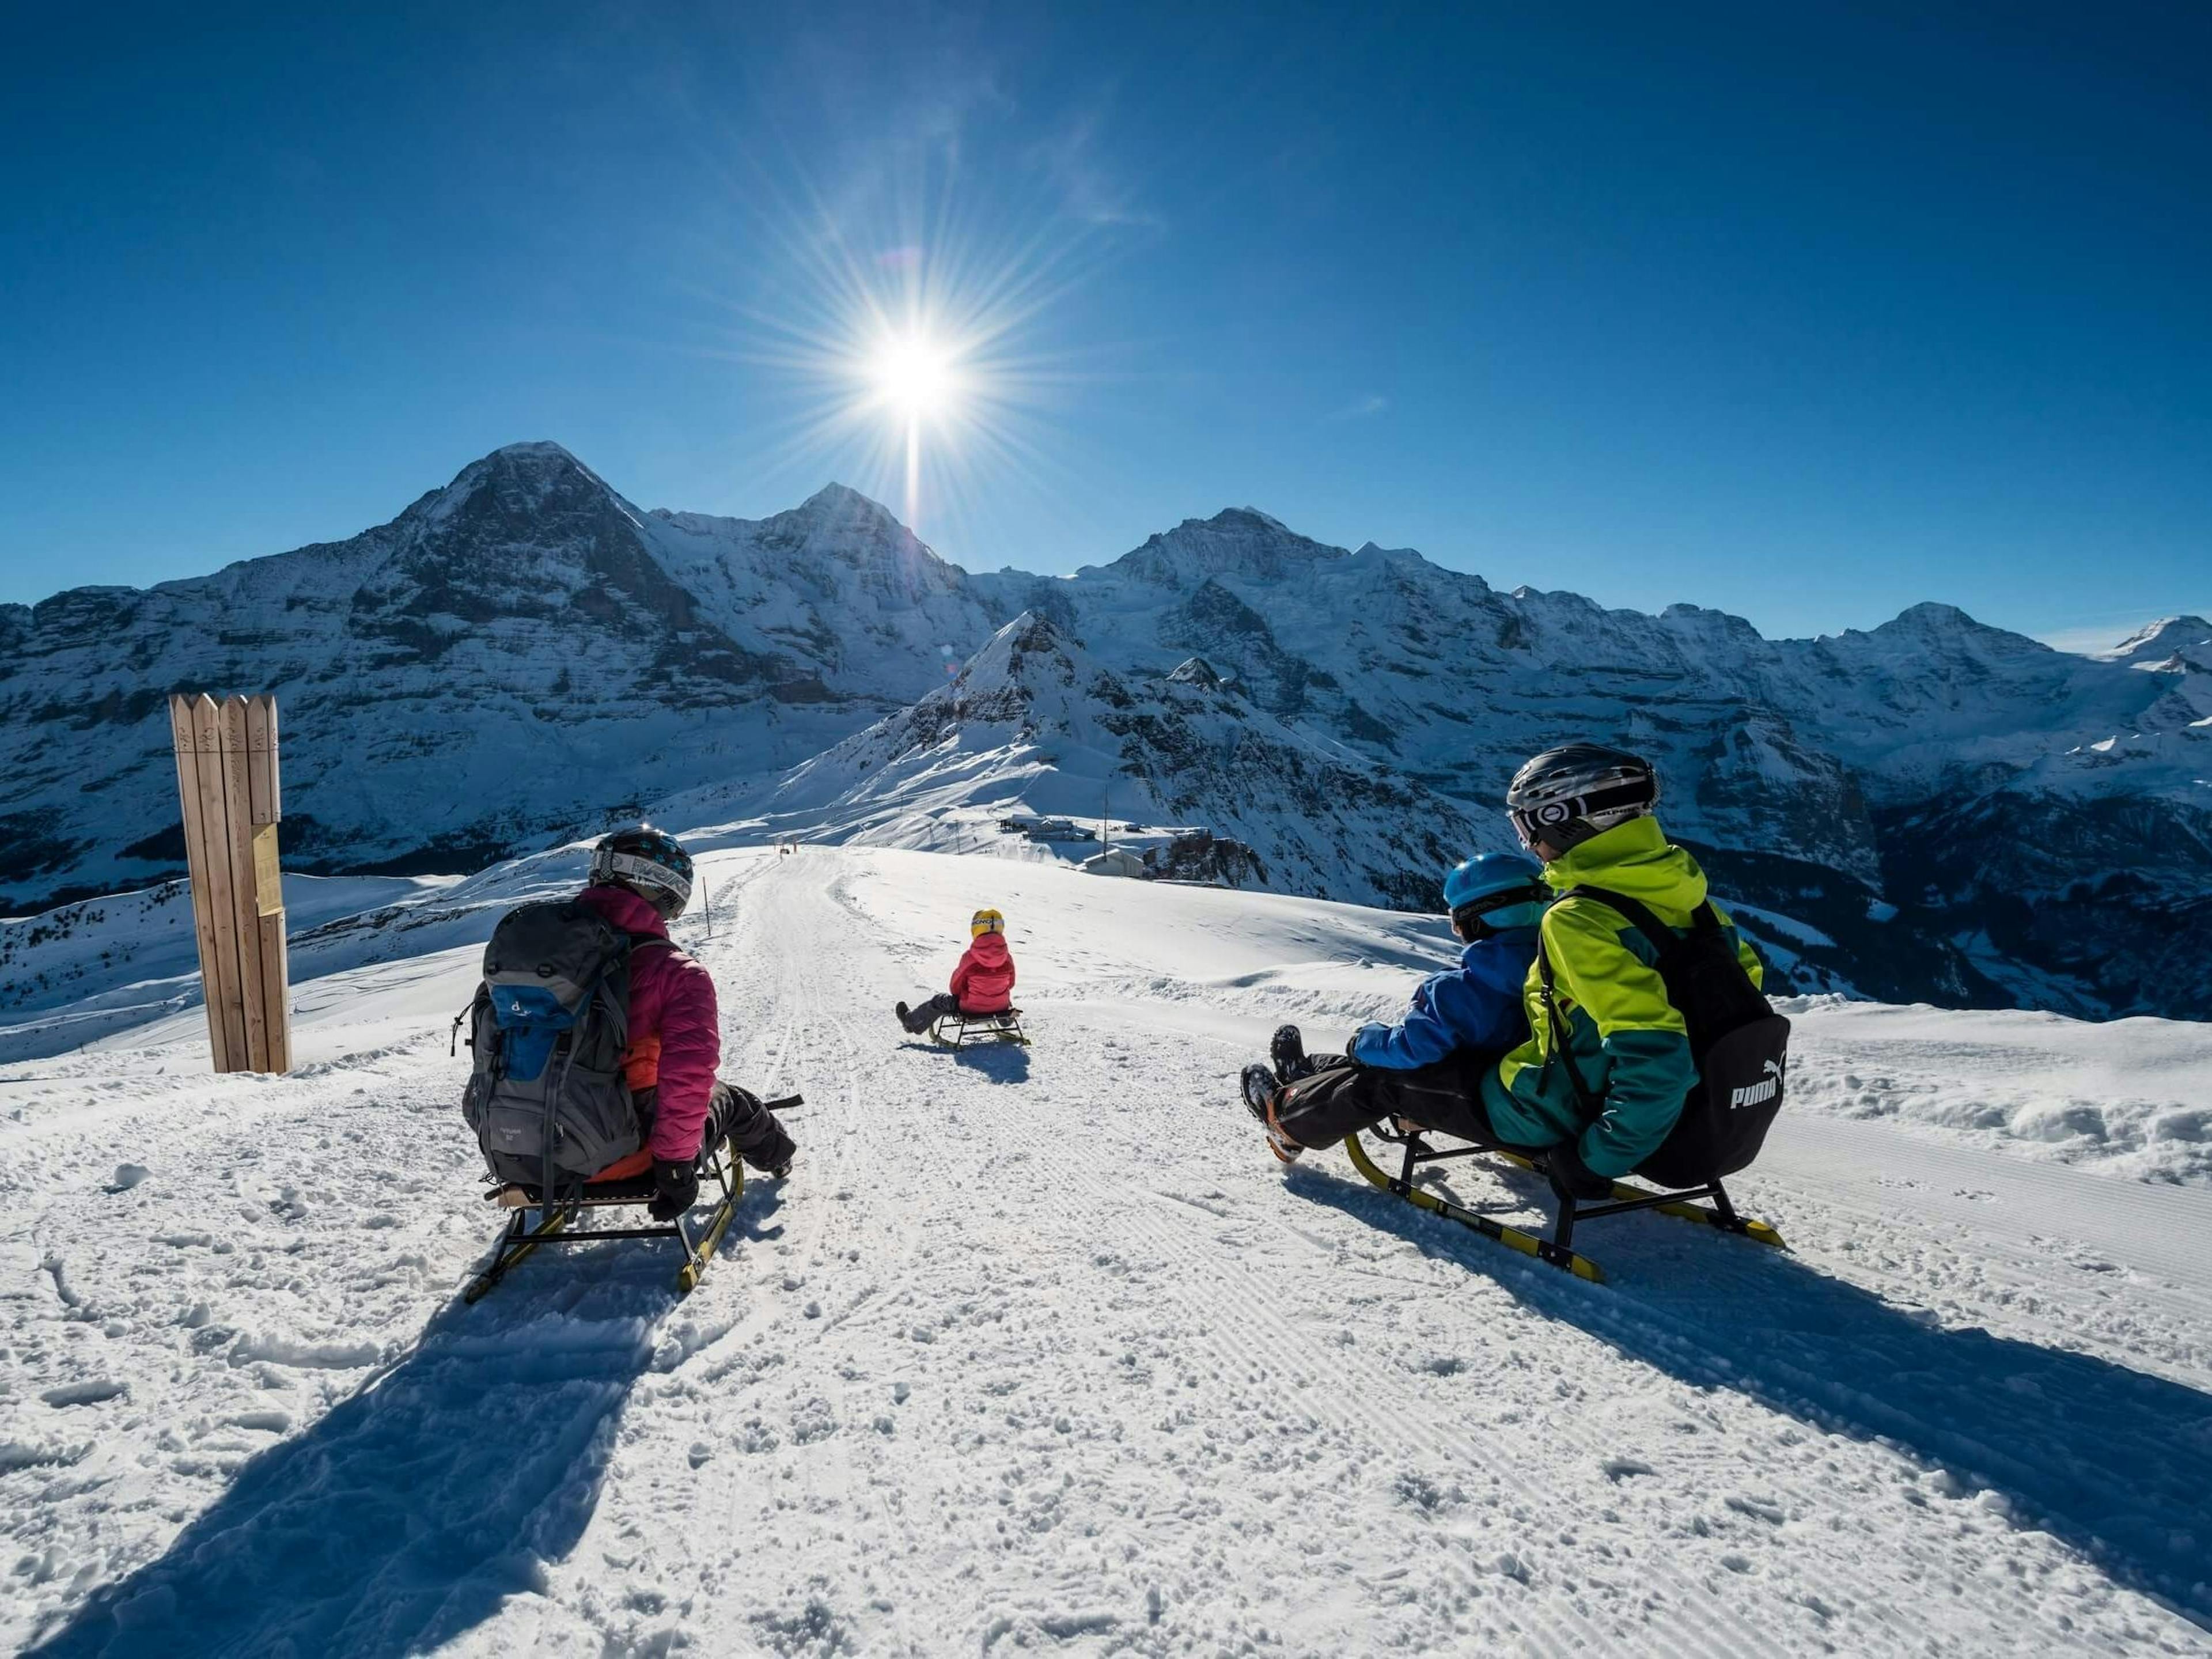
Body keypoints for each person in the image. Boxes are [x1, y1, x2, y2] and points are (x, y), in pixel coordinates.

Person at [1477, 743, 1765, 1203]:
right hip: (1705, 1120)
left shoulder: (1579, 917)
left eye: (1526, 827)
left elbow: (1659, 1060)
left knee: (1443, 1080)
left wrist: (1596, 1160)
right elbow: (1736, 994)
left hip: (1577, 1114)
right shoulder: (1691, 901)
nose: (1529, 845)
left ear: (1563, 818)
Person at [1240, 853, 1549, 1164]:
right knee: (1380, 1062)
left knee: (1380, 1074)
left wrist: (1363, 1041)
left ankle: (1286, 1121)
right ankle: (1304, 1073)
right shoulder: (1560, 971)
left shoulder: (1462, 989)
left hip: (1495, 1105)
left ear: (1478, 919)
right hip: (1538, 1094)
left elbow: (1411, 1048)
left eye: (1457, 922)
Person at [578, 827, 796, 1218]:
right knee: (731, 1099)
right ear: (663, 890)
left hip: (525, 1154)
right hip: (630, 1155)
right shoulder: (675, 973)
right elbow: (689, 1074)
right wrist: (676, 1166)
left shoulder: (533, 956)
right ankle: (779, 1157)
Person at [897, 908, 1017, 1033]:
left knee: (940, 1000)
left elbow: (955, 988)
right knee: (1001, 993)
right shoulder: (1008, 958)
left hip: (971, 1008)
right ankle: (1005, 1019)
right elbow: (1011, 984)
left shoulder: (970, 958)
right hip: (1001, 1007)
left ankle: (911, 1023)